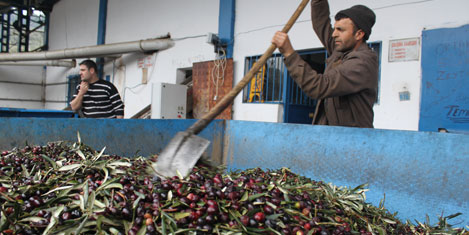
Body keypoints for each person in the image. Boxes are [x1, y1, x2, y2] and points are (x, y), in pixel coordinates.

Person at [271, 0, 378, 128]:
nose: (334, 34)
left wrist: (289, 53)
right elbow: (321, 23)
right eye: (335, 28)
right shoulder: (341, 51)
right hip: (330, 136)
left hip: (352, 142)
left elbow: (319, 87)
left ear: (359, 34)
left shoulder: (362, 63)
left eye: (340, 30)